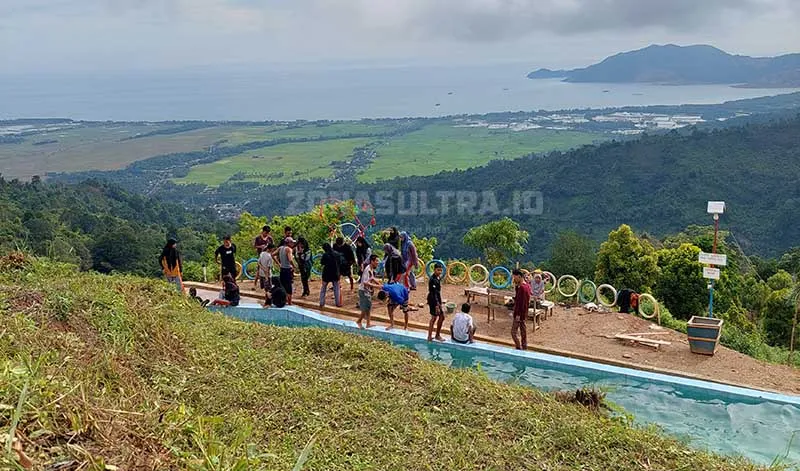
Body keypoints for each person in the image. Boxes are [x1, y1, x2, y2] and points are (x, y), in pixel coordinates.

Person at [357, 254, 381, 329]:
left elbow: (372, 278)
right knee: (366, 308)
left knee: (367, 308)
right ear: (372, 261)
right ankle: (360, 321)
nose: (378, 262)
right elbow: (365, 282)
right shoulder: (367, 269)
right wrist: (376, 286)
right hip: (363, 291)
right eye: (376, 261)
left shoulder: (371, 268)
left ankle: (367, 323)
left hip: (366, 291)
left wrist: (379, 284)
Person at [511, 269, 531, 350]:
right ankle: (524, 346)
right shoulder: (526, 286)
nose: (514, 279)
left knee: (513, 332)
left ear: (519, 277)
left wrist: (518, 314)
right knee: (523, 331)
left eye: (514, 277)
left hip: (519, 313)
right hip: (524, 312)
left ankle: (518, 347)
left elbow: (521, 303)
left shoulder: (522, 288)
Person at [274, 237, 296, 305]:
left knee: (283, 285)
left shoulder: (280, 248)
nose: (293, 244)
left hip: (282, 269)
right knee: (289, 286)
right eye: (292, 242)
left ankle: (284, 300)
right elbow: (290, 259)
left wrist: (279, 263)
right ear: (288, 243)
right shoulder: (288, 249)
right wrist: (294, 266)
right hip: (288, 269)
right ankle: (290, 302)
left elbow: (273, 255)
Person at [319, 242, 342, 308]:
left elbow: (322, 263)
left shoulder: (325, 255)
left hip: (326, 274)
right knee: (337, 289)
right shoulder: (337, 254)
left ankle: (322, 303)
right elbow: (340, 263)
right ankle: (338, 303)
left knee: (323, 289)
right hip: (335, 273)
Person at [427, 264, 445, 341]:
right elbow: (433, 293)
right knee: (435, 318)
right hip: (433, 300)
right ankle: (431, 336)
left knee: (441, 317)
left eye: (440, 270)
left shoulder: (437, 278)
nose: (439, 272)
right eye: (438, 270)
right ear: (434, 270)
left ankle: (436, 335)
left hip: (437, 299)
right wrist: (437, 304)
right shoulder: (433, 279)